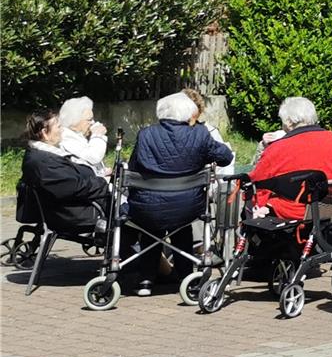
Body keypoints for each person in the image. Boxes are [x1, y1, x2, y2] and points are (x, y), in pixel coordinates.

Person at [127, 91, 234, 296]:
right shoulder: (201, 134)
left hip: (149, 205)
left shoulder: (145, 134)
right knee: (181, 222)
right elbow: (226, 158)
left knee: (152, 224)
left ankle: (146, 280)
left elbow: (134, 167)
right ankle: (186, 276)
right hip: (187, 205)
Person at [247, 97, 332, 224]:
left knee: (248, 201)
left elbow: (258, 180)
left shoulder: (279, 147)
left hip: (290, 212)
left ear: (289, 122)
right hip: (326, 210)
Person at [21, 109, 110, 240]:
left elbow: (71, 179)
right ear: (45, 133)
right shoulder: (44, 162)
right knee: (133, 207)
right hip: (76, 213)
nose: (62, 130)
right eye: (58, 126)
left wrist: (100, 175)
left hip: (73, 206)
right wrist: (104, 182)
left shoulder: (44, 155)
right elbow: (73, 186)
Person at [57, 96, 109, 175]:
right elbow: (94, 157)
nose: (93, 123)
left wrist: (103, 171)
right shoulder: (67, 139)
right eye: (89, 119)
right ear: (74, 122)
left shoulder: (76, 136)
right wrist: (98, 135)